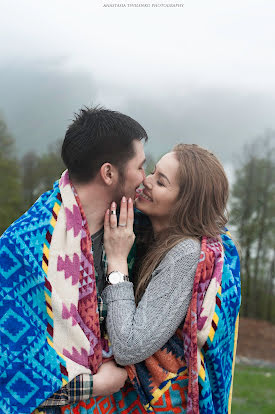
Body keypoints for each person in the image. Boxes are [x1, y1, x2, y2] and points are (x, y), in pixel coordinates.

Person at [66, 144, 241, 414]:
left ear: (186, 203)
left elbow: (129, 346)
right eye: (153, 172)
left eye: (160, 182)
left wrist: (117, 260)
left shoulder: (186, 254)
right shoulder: (147, 233)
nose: (146, 181)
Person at [0, 106, 148, 414]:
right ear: (108, 173)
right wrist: (96, 386)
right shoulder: (23, 247)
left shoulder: (139, 228)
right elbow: (11, 380)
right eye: (141, 167)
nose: (145, 179)